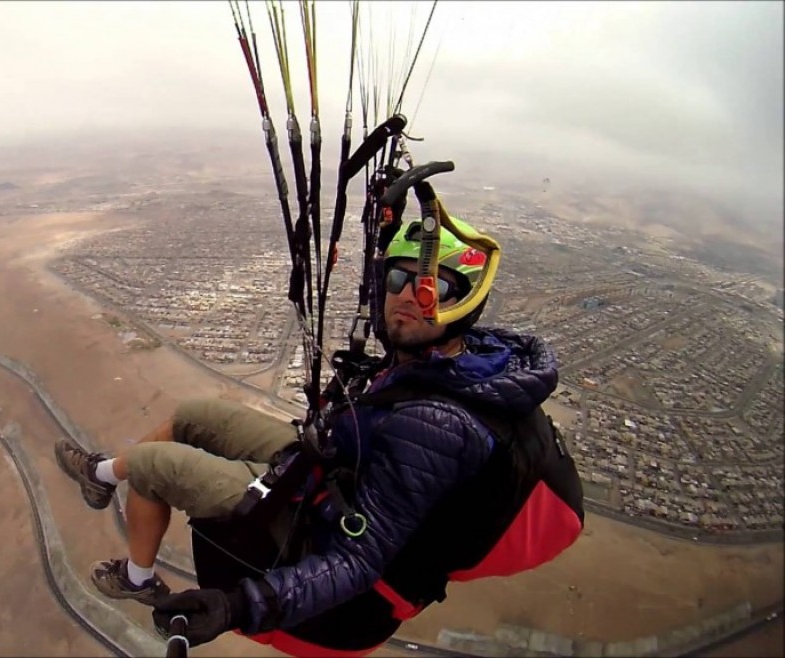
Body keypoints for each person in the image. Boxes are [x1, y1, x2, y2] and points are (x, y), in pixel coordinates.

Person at [54, 216, 583, 654]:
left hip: (323, 532)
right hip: (333, 467)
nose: (408, 297)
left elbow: (359, 559)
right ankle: (102, 477)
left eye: (433, 287)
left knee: (154, 467)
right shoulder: (457, 357)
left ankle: (138, 578)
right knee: (195, 415)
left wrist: (240, 604)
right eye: (397, 279)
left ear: (465, 304)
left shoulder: (436, 425)